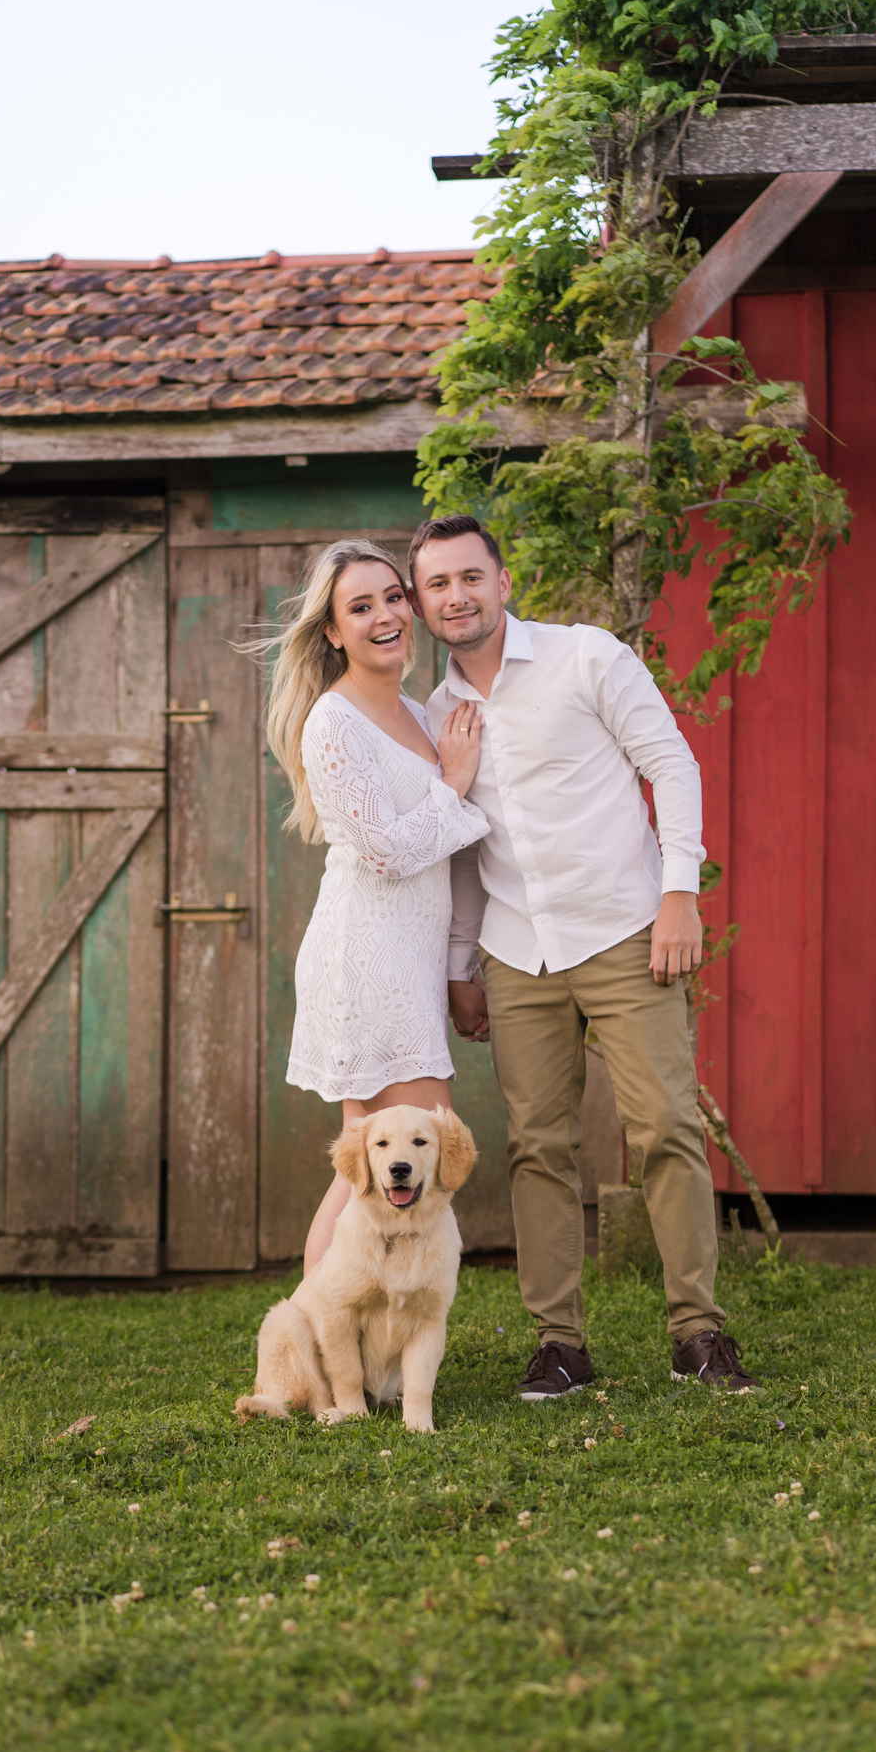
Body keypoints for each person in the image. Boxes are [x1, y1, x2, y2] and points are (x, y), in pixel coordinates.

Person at [409, 513, 761, 1399]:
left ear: (503, 581)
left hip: (623, 932)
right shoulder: (436, 715)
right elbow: (460, 848)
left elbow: (671, 766)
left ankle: (697, 1333)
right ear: (421, 604)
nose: (456, 596)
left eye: (469, 578)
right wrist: (460, 967)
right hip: (516, 954)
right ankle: (559, 1344)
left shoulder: (587, 658)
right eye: (437, 585)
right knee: (537, 1147)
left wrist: (679, 894)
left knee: (665, 1129)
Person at [258, 538, 489, 1270]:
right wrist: (452, 786)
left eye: (394, 597)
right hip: (365, 957)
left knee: (384, 1157)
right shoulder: (334, 721)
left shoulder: (421, 717)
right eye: (360, 606)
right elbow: (387, 852)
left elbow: (444, 861)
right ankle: (327, 1342)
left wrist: (459, 965)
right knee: (379, 1158)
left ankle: (360, 1345)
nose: (385, 615)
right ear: (332, 630)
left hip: (410, 961)